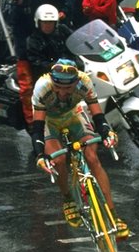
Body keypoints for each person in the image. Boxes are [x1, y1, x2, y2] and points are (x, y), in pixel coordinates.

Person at [32, 60, 127, 237]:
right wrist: (40, 155)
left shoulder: (84, 83)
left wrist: (107, 133)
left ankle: (113, 216)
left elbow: (98, 116)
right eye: (57, 87)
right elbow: (37, 128)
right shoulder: (42, 87)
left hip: (73, 115)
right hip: (48, 121)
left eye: (67, 89)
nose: (62, 92)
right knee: (58, 160)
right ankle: (68, 198)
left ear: (76, 83)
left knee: (92, 157)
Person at [26, 4, 74, 80]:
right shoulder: (33, 40)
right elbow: (36, 63)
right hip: (46, 77)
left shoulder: (63, 31)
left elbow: (76, 40)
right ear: (38, 23)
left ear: (56, 23)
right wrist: (54, 66)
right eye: (44, 22)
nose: (48, 25)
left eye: (51, 22)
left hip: (69, 72)